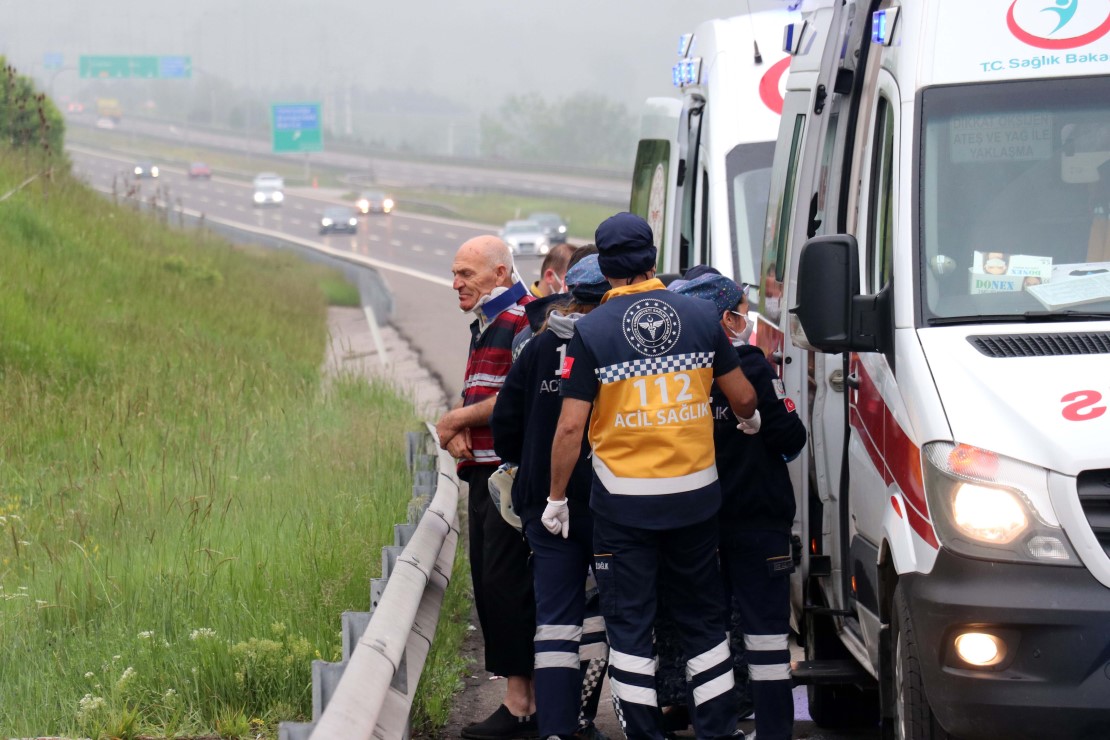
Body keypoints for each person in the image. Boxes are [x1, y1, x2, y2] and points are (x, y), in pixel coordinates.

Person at [547, 213, 760, 740]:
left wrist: (556, 498)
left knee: (630, 628)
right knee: (704, 623)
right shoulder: (699, 317)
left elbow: (571, 429)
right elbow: (744, 398)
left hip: (622, 508)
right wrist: (751, 421)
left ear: (605, 265)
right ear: (652, 259)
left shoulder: (591, 332)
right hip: (694, 500)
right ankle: (716, 730)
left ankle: (645, 733)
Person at [675, 271, 807, 740]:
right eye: (741, 309)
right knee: (767, 637)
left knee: (706, 636)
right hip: (758, 521)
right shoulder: (749, 367)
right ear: (726, 318)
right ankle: (773, 732)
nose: (746, 318)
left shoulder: (671, 374)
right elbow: (791, 439)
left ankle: (715, 730)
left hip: (695, 523)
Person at [492, 254, 612, 740]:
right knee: (611, 615)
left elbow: (505, 426)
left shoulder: (539, 347)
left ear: (571, 295)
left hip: (545, 504)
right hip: (607, 502)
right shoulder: (617, 345)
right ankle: (595, 719)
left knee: (555, 619)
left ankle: (555, 728)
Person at [436, 235, 538, 739]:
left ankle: (522, 706)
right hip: (483, 469)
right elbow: (483, 388)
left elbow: (513, 399)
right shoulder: (486, 318)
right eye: (454, 273)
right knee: (489, 584)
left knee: (505, 585)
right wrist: (460, 434)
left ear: (500, 273)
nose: (456, 283)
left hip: (509, 477)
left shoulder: (520, 318)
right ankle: (522, 700)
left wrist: (455, 418)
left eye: (467, 274)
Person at [514, 243, 580, 362]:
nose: (576, 286)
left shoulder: (569, 310)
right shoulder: (521, 311)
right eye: (570, 279)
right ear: (550, 276)